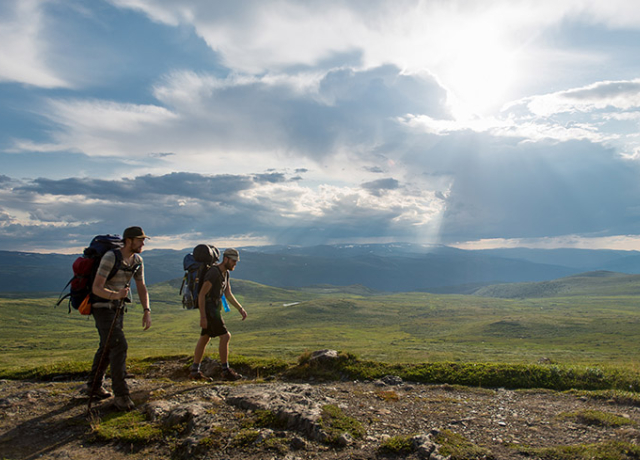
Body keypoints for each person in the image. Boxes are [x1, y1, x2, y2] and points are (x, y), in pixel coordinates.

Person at [84, 226, 152, 411]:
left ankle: (93, 386)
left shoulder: (137, 260)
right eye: (140, 240)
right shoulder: (110, 257)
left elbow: (141, 286)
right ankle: (121, 395)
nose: (143, 243)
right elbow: (96, 288)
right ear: (129, 240)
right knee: (119, 345)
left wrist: (147, 310)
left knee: (107, 345)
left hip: (117, 308)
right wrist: (116, 295)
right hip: (101, 307)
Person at [190, 248, 247, 381]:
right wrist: (203, 317)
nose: (235, 264)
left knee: (205, 337)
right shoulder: (214, 273)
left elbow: (228, 293)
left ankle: (194, 371)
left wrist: (240, 308)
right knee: (225, 336)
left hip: (214, 308)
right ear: (226, 259)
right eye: (233, 261)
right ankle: (225, 371)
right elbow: (202, 294)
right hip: (210, 309)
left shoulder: (225, 273)